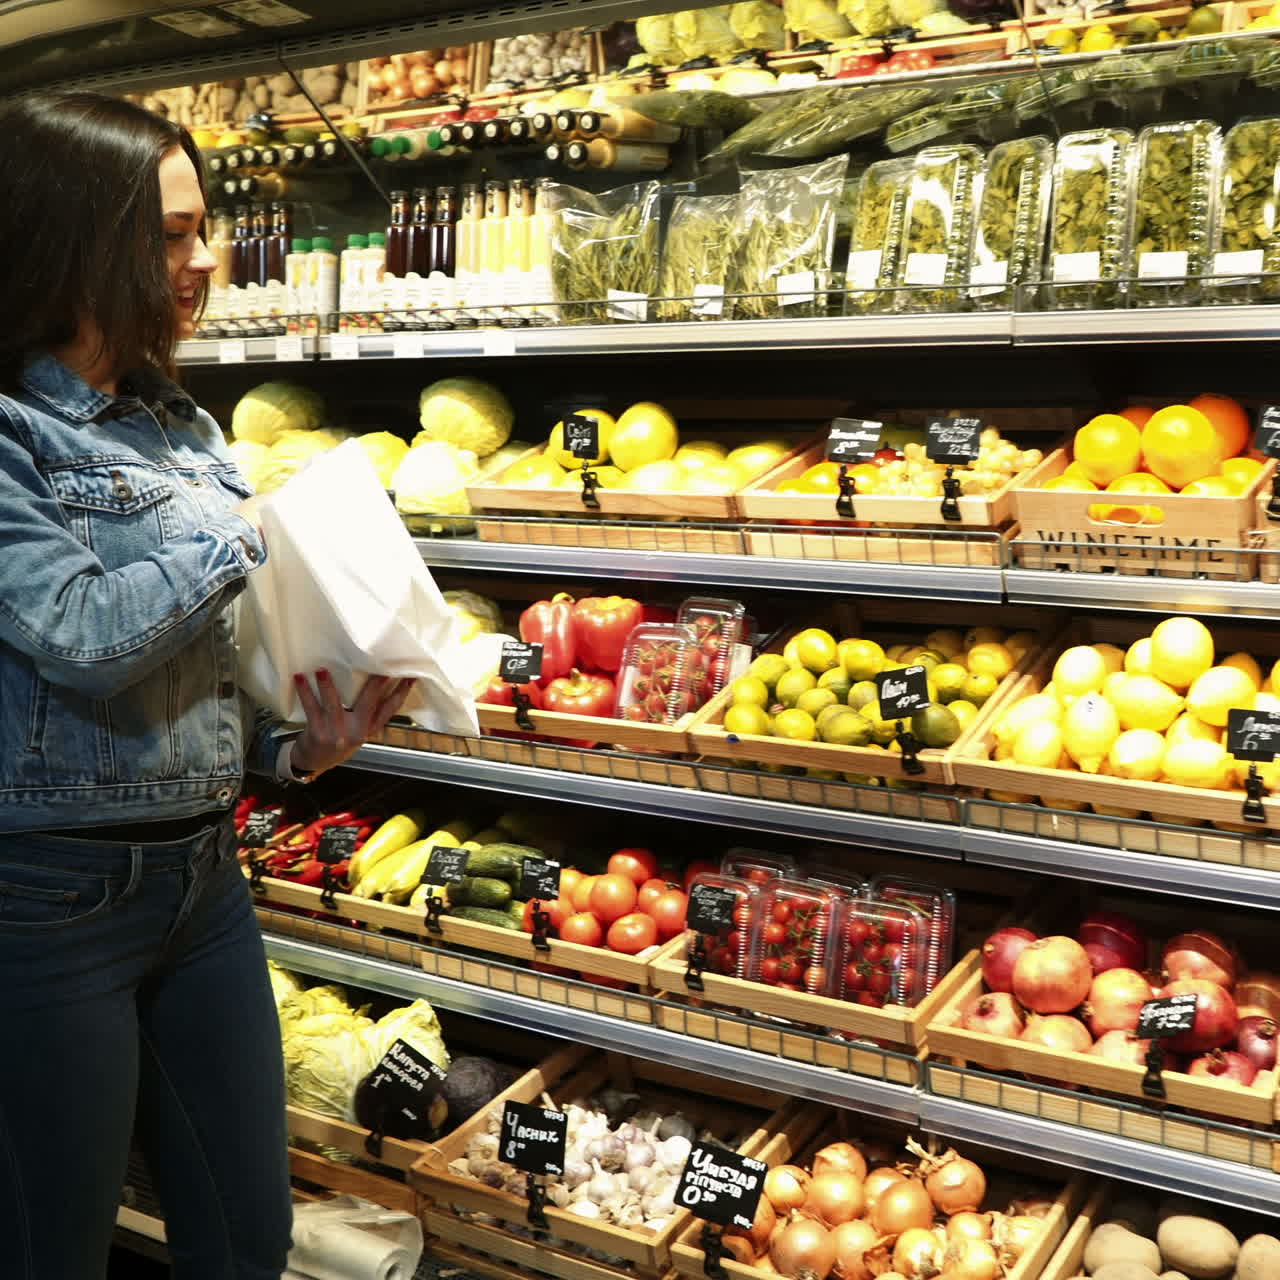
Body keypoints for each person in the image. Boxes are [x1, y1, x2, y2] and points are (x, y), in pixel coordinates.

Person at [0, 91, 413, 1279]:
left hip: (200, 879)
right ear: (72, 240)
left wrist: (290, 748)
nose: (203, 262)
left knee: (247, 1233)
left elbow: (197, 663)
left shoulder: (176, 419)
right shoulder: (11, 431)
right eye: (170, 236)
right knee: (51, 1245)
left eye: (202, 230)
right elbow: (78, 631)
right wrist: (255, 527)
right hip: (46, 900)